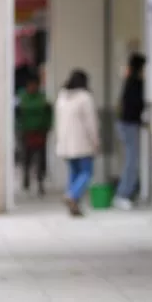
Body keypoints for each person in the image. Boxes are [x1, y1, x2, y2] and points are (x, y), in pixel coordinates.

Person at [54, 70, 99, 216]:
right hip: (82, 142)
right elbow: (91, 123)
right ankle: (72, 195)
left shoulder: (61, 98)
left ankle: (74, 205)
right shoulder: (85, 98)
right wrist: (96, 141)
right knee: (87, 172)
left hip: (66, 143)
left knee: (74, 173)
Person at [113, 53, 146, 210]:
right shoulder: (136, 82)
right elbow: (137, 104)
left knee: (130, 160)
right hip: (130, 124)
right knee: (131, 161)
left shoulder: (128, 81)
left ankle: (126, 192)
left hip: (124, 123)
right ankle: (123, 194)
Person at [15, 73, 53, 195]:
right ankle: (26, 178)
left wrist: (47, 127)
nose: (32, 87)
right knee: (26, 157)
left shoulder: (41, 97)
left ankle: (40, 182)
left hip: (40, 132)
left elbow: (48, 112)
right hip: (26, 132)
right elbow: (19, 112)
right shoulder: (22, 97)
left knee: (41, 159)